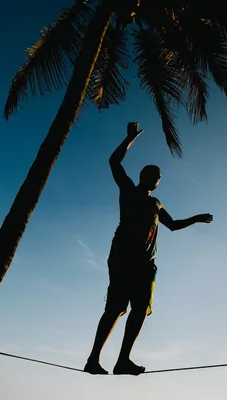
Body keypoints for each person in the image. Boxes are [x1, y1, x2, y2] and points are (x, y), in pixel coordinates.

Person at [84, 121, 213, 376]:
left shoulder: (156, 202)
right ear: (146, 177)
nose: (158, 179)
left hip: (146, 264)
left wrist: (195, 218)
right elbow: (114, 162)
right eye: (156, 175)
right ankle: (93, 360)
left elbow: (173, 226)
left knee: (140, 309)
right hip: (123, 258)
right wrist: (129, 139)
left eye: (159, 177)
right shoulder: (129, 191)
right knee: (115, 308)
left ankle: (123, 361)